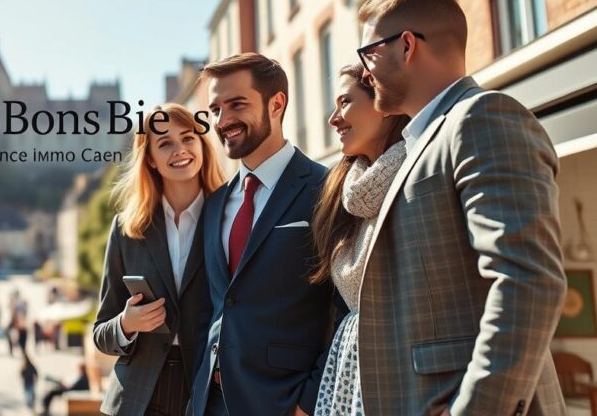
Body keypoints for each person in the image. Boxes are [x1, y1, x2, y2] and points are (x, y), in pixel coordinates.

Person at [355, 0, 566, 414]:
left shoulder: (482, 118)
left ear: (407, 45)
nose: (363, 72)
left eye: (369, 54)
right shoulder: (424, 140)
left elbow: (527, 281)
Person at [191, 53, 345, 416]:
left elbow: (346, 309)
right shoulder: (214, 204)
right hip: (209, 403)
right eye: (214, 109)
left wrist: (307, 403)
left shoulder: (325, 190)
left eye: (236, 105)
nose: (223, 120)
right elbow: (215, 305)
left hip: (282, 403)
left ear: (276, 104)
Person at [92, 103, 225, 416]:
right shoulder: (127, 229)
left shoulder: (229, 216)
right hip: (138, 398)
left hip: (209, 390)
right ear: (150, 158)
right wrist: (127, 324)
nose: (180, 150)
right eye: (165, 143)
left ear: (202, 144)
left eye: (188, 138)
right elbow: (101, 332)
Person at [310, 64, 409, 415]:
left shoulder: (417, 172)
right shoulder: (343, 191)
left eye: (345, 102)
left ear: (382, 102)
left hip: (405, 370)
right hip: (349, 374)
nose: (333, 119)